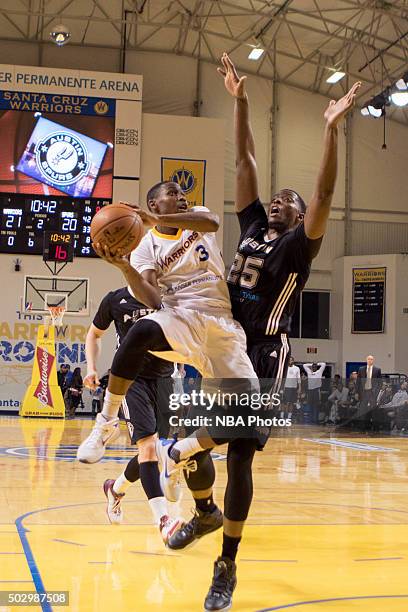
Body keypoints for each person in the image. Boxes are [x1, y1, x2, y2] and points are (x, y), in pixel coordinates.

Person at [157, 53, 360, 610]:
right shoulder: (251, 226)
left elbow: (322, 196)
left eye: (287, 202)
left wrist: (329, 130)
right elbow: (244, 160)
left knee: (240, 453)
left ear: (299, 219)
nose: (279, 199)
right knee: (198, 442)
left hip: (266, 353)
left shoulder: (300, 246)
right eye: (277, 197)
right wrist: (240, 101)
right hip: (220, 342)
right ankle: (202, 512)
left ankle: (227, 565)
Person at [83, 286, 183, 543]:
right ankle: (163, 520)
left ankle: (114, 490)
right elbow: (94, 335)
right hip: (130, 380)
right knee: (148, 448)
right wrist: (91, 368)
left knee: (162, 450)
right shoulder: (116, 299)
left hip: (165, 380)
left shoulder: (171, 296)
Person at [356, 355, 382, 431]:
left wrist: (376, 392)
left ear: (373, 360)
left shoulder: (377, 370)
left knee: (374, 410)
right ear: (366, 360)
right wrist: (357, 392)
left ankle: (375, 428)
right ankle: (363, 427)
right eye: (369, 359)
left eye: (371, 359)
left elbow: (379, 383)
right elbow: (358, 382)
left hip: (372, 392)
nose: (370, 360)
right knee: (363, 410)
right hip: (364, 392)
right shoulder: (361, 369)